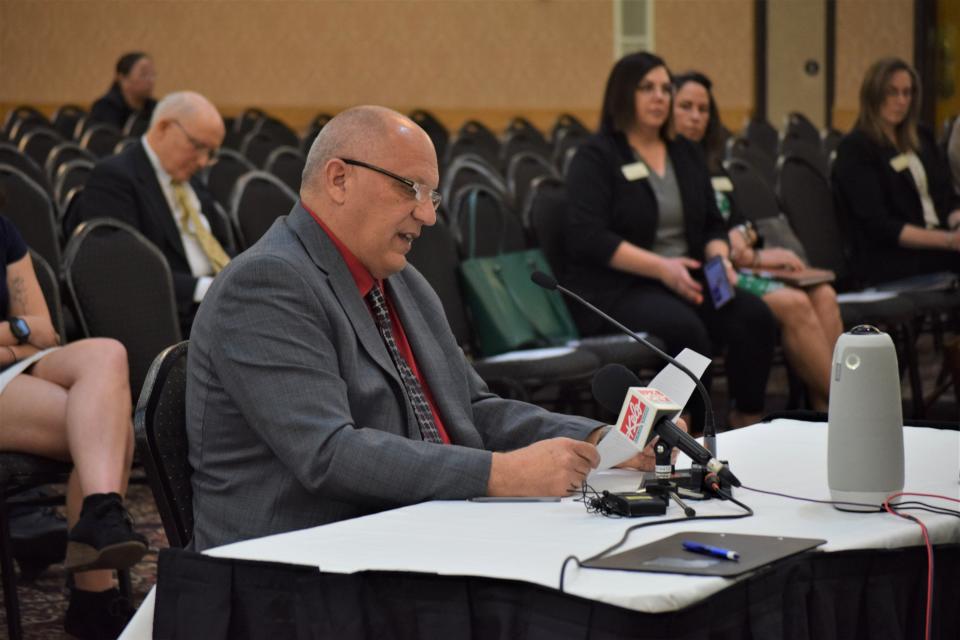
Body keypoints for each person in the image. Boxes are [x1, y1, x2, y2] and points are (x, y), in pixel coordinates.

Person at [185, 106, 672, 552]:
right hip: (293, 563)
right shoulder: (268, 282)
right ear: (339, 179)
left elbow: (473, 411)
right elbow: (328, 453)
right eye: (410, 188)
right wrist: (498, 475)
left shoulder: (402, 281)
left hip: (409, 528)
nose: (428, 215)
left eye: (432, 195)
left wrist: (597, 439)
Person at [562, 52, 777, 429]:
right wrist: (662, 268)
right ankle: (687, 433)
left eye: (665, 88)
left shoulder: (685, 153)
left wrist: (719, 258)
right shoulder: (596, 156)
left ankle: (747, 422)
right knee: (687, 331)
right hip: (622, 285)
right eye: (648, 88)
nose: (660, 97)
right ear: (623, 94)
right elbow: (588, 236)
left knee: (753, 316)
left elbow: (713, 223)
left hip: (688, 276)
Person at [0, 212, 146, 639]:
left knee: (106, 354)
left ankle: (100, 512)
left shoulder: (3, 227)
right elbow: (29, 329)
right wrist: (16, 335)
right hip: (13, 369)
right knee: (105, 417)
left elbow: (45, 331)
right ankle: (93, 597)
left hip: (14, 367)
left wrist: (11, 346)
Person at [672, 71, 843, 411]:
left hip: (738, 263)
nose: (696, 117)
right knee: (795, 304)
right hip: (708, 275)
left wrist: (744, 241)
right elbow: (693, 235)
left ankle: (825, 407)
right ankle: (847, 406)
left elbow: (742, 224)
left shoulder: (714, 165)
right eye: (686, 107)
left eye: (703, 109)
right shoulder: (671, 168)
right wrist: (740, 250)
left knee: (824, 294)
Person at [69, 90, 232, 336]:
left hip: (219, 301)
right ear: (164, 128)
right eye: (198, 146)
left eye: (210, 153)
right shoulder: (114, 178)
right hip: (174, 316)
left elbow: (221, 246)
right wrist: (209, 289)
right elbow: (127, 271)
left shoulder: (192, 183)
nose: (202, 162)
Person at [832, 57, 960, 285]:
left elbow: (947, 198)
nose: (901, 101)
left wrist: (957, 224)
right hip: (891, 257)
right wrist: (948, 240)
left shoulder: (922, 138)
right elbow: (879, 226)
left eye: (907, 93)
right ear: (873, 95)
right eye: (892, 93)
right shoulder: (856, 148)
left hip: (940, 247)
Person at [90, 52, 157, 131]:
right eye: (144, 74)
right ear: (123, 79)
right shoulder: (105, 107)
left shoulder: (155, 107)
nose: (150, 80)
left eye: (152, 74)